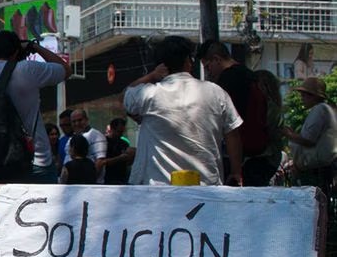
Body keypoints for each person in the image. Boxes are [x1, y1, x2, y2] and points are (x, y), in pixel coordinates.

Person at [124, 35, 243, 186]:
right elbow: (233, 135)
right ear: (189, 61)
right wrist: (236, 173)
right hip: (206, 188)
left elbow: (126, 95)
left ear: (161, 65)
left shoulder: (150, 95)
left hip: (158, 191)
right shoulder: (216, 93)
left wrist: (153, 75)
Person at [0, 30, 71, 183]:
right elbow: (65, 70)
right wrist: (34, 47)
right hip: (36, 162)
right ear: (16, 52)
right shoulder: (27, 69)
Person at [199, 41, 272, 186]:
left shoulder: (228, 79)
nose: (208, 73)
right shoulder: (250, 75)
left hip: (239, 157)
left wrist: (235, 170)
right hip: (259, 152)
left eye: (208, 67)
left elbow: (231, 127)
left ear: (217, 59)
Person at [284, 77, 336, 197]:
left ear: (313, 96)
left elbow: (308, 141)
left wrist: (287, 134)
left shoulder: (320, 109)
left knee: (315, 205)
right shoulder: (326, 110)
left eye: (304, 95)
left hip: (316, 171)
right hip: (321, 169)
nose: (302, 99)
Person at [68, 109, 107, 182]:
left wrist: (89, 180)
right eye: (74, 121)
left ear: (86, 120)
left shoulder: (96, 135)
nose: (77, 123)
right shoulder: (71, 138)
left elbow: (100, 162)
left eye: (80, 120)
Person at [101, 117, 134, 185]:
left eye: (122, 132)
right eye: (119, 131)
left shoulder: (124, 143)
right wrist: (120, 158)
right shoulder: (104, 142)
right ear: (112, 129)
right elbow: (102, 162)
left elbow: (128, 163)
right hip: (108, 179)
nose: (121, 134)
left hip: (122, 178)